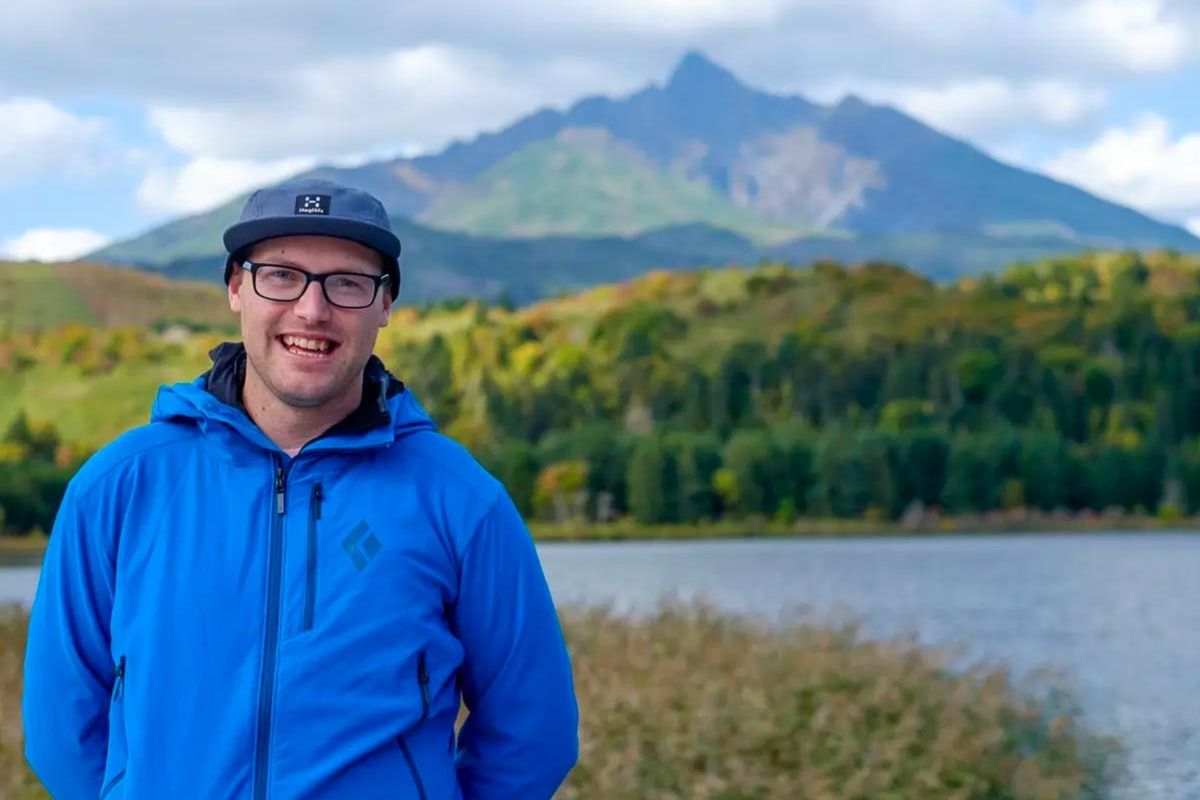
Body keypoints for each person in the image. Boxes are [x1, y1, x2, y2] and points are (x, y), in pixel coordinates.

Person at [23, 178, 580, 799]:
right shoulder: (117, 489)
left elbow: (535, 733)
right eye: (282, 275)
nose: (312, 310)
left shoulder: (462, 503)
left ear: (386, 303)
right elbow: (60, 727)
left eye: (347, 282)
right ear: (236, 286)